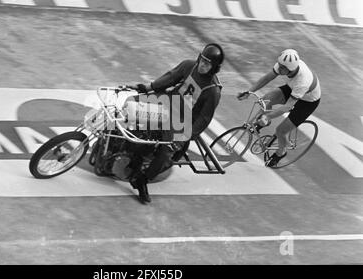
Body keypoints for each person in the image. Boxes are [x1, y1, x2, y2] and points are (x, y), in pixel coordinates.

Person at [127, 43, 224, 203]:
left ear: (214, 68)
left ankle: (142, 180)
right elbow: (169, 78)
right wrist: (146, 87)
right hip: (167, 101)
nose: (202, 65)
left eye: (208, 64)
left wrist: (184, 137)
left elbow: (203, 120)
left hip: (182, 119)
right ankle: (132, 151)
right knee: (132, 103)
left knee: (167, 150)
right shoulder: (189, 65)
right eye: (202, 60)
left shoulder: (213, 91)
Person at [237, 49, 321, 167]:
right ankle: (263, 123)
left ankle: (281, 152)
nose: (279, 68)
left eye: (282, 68)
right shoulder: (285, 65)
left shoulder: (303, 81)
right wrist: (249, 91)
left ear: (291, 69)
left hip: (307, 102)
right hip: (293, 89)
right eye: (279, 65)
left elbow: (287, 107)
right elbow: (267, 78)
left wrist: (267, 116)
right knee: (267, 99)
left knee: (280, 131)